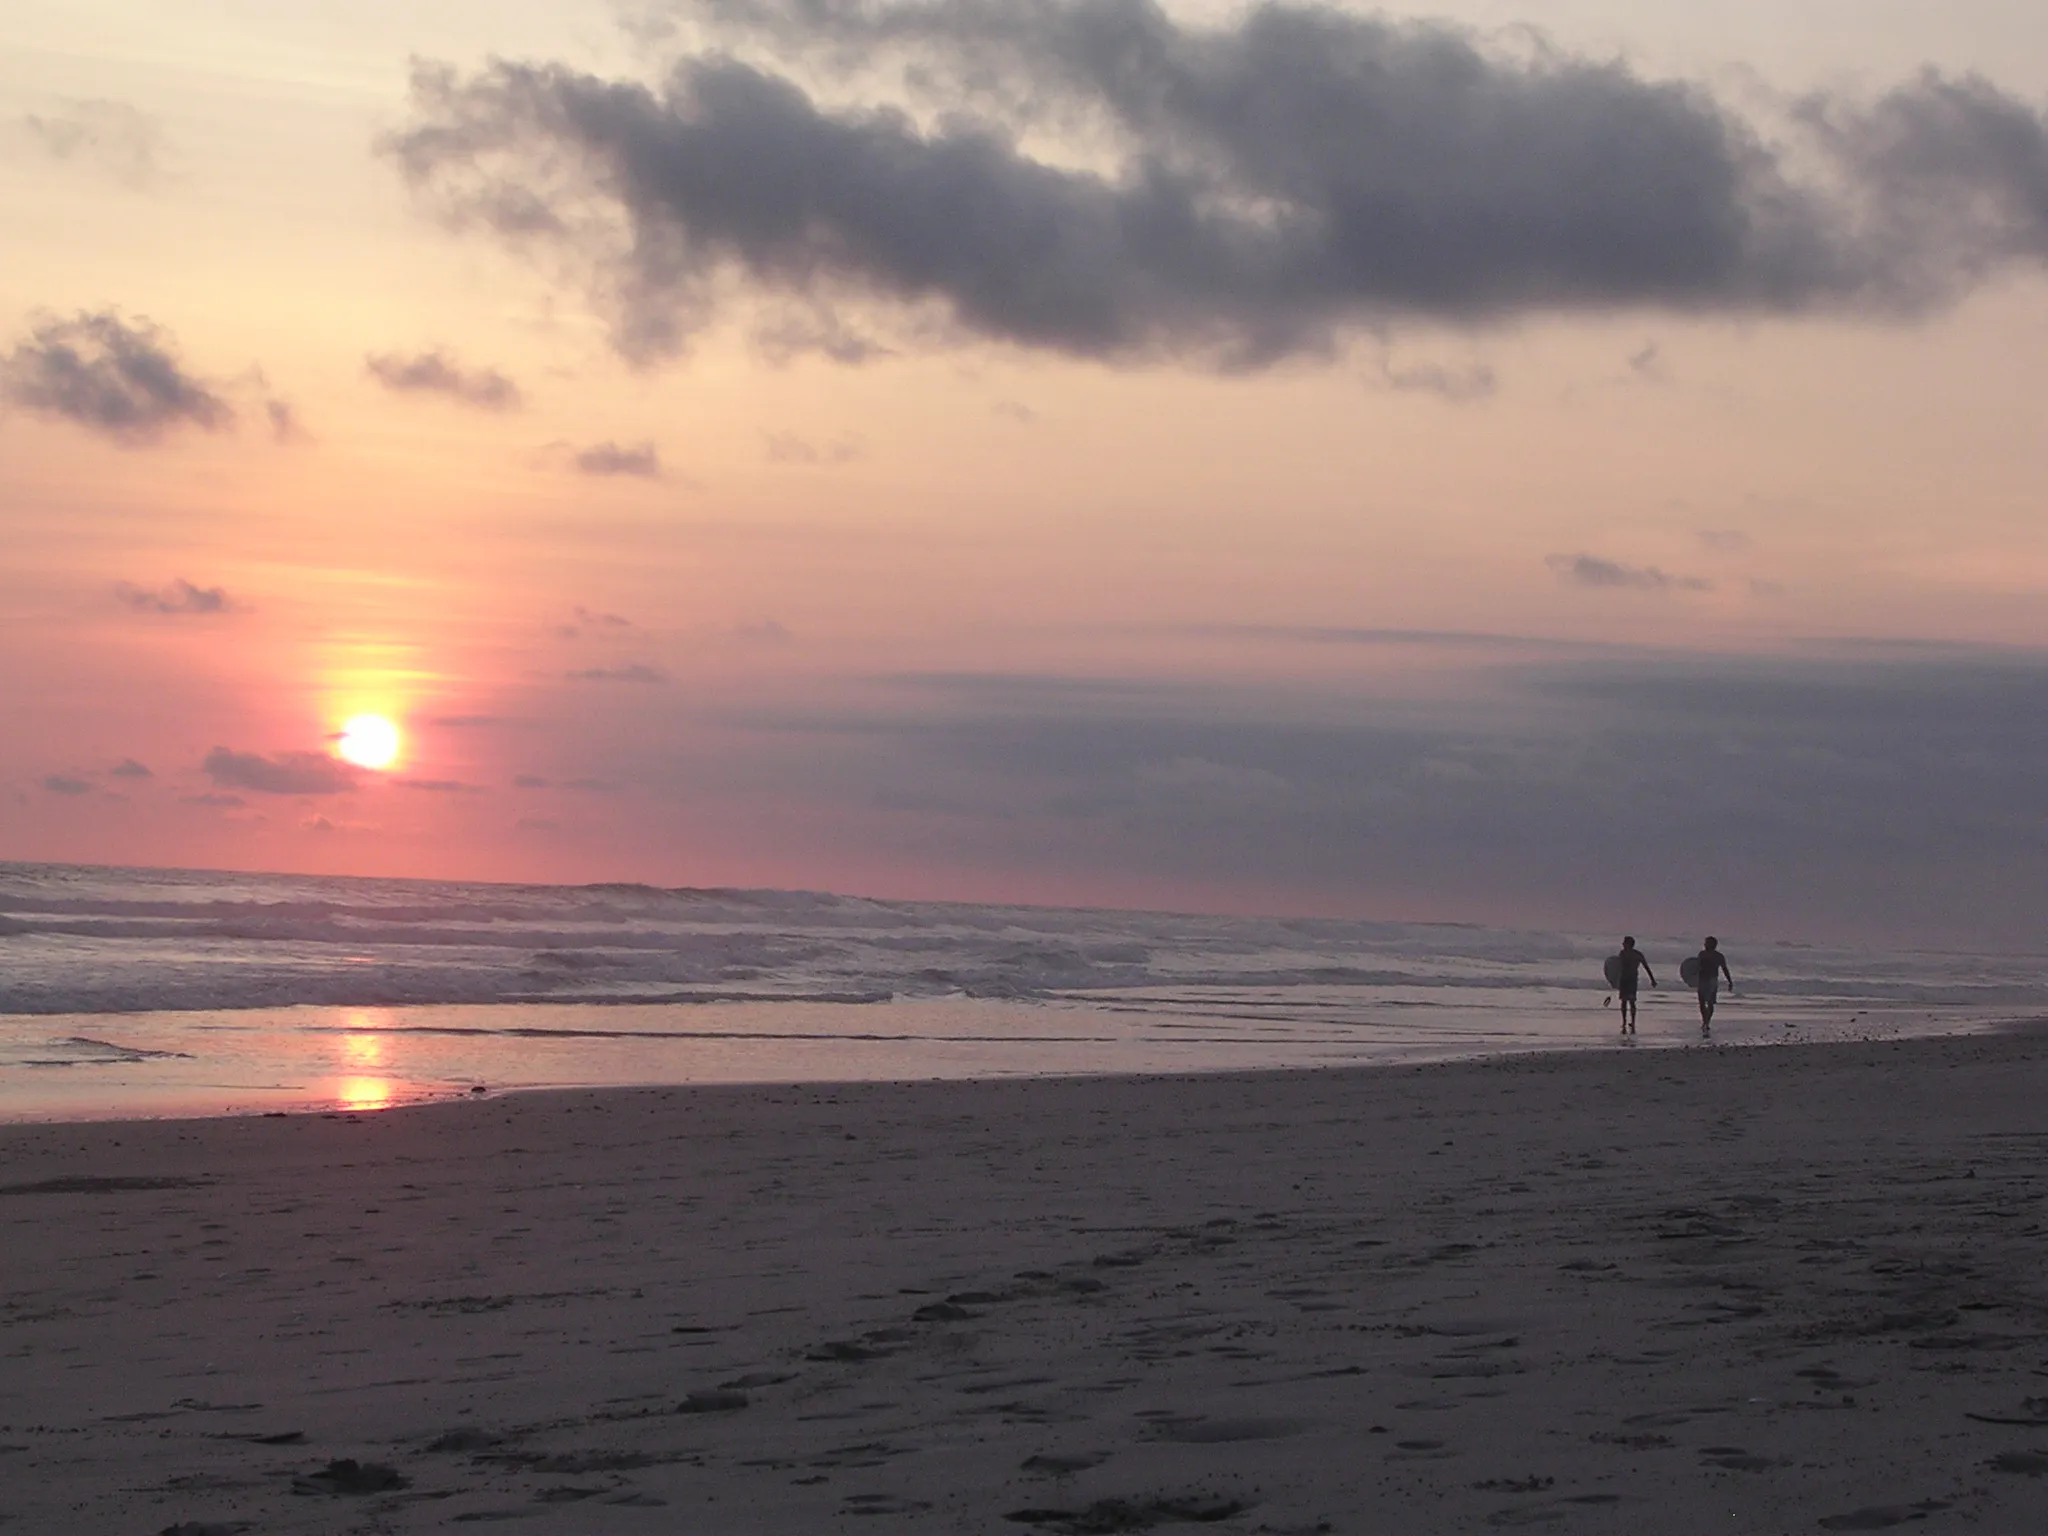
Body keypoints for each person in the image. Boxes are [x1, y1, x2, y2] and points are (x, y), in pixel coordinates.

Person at [1612, 936, 1655, 1035]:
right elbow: (1618, 967)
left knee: (1629, 1002)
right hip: (1626, 979)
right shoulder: (1625, 954)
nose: (1622, 944)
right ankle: (1626, 1022)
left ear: (1629, 944)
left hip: (1630, 980)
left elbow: (1646, 967)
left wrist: (1652, 979)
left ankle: (1630, 1022)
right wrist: (1615, 980)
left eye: (1624, 943)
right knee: (1625, 1001)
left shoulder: (1633, 954)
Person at [1692, 936, 1734, 1034]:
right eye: (1705, 942)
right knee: (1701, 1002)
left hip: (1712, 980)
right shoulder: (1701, 954)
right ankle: (1705, 1021)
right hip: (1702, 980)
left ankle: (1707, 1022)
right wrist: (1691, 979)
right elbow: (1695, 967)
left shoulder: (1718, 956)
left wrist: (1730, 981)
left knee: (1710, 1003)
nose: (1704, 944)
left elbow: (1724, 969)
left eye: (1707, 943)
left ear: (1713, 945)